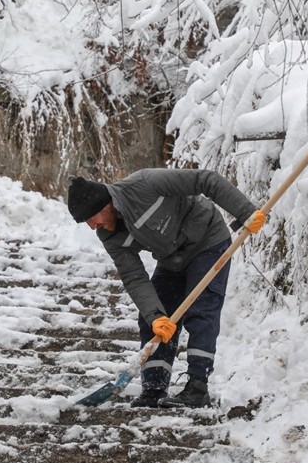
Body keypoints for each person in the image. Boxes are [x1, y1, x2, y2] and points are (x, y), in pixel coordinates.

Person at [67, 169, 266, 408]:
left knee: (201, 311)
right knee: (154, 318)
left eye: (92, 218)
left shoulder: (144, 184)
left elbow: (205, 180)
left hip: (207, 241)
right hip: (172, 259)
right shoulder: (108, 235)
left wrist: (244, 211)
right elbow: (133, 276)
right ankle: (154, 388)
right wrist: (155, 315)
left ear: (106, 204)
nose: (92, 227)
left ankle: (197, 387)